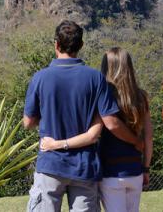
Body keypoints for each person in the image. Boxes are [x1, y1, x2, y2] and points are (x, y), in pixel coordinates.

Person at [23, 20, 143, 212]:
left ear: (56, 44)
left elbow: (28, 122)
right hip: (84, 167)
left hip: (50, 164)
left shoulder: (40, 77)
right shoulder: (96, 78)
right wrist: (136, 141)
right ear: (81, 45)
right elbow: (109, 122)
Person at [40, 47, 153, 212]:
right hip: (135, 171)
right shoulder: (141, 97)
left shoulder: (104, 95)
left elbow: (106, 127)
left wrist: (57, 144)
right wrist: (146, 168)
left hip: (111, 172)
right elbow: (148, 137)